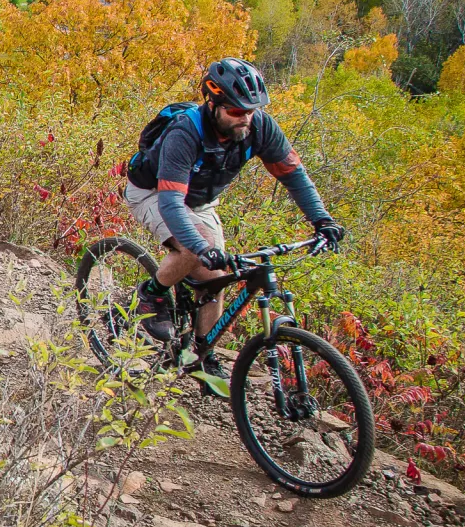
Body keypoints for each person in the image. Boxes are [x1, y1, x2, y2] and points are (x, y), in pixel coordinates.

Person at [123, 58, 345, 395]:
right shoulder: (186, 132)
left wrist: (322, 220)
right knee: (197, 248)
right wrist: (200, 249)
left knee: (216, 278)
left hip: (198, 201)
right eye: (236, 112)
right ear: (213, 104)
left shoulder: (260, 128)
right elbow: (170, 203)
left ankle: (201, 354)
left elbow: (294, 176)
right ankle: (149, 295)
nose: (245, 119)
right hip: (154, 191)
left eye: (251, 111)